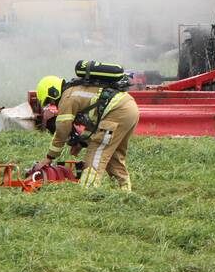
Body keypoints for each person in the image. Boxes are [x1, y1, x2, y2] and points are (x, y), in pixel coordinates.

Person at [35, 63, 140, 192]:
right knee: (113, 154)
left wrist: (49, 157)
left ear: (53, 92)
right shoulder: (78, 90)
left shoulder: (67, 97)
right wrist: (81, 142)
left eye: (50, 101)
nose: (53, 105)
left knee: (96, 151)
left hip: (117, 112)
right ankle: (124, 191)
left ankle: (88, 192)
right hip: (129, 109)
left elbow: (62, 129)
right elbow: (94, 124)